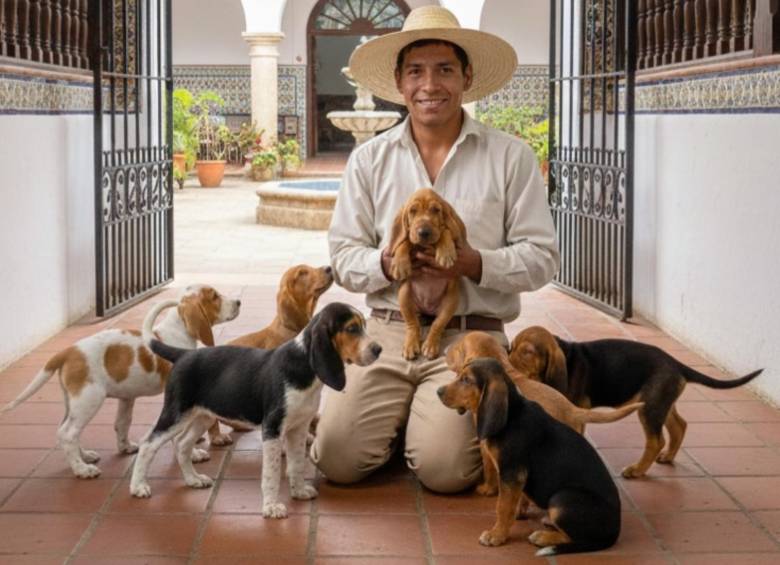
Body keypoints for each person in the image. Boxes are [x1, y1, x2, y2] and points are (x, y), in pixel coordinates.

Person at [311, 6, 560, 493]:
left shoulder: (510, 157)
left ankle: (420, 423)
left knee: (446, 472)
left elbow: (542, 258)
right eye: (416, 71)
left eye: (445, 69)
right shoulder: (369, 159)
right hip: (385, 328)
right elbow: (342, 255)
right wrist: (386, 263)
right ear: (400, 83)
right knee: (337, 460)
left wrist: (476, 264)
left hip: (470, 337)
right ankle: (405, 415)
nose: (431, 84)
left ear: (466, 77)